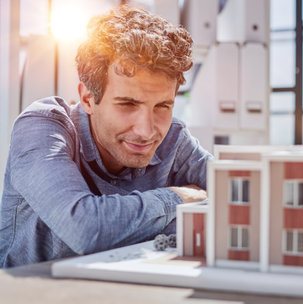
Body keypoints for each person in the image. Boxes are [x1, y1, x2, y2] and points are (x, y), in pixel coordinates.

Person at [0, 5, 212, 268]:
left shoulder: (174, 140)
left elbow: (240, 194)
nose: (146, 131)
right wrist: (178, 198)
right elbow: (84, 229)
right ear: (88, 99)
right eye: (127, 105)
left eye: (162, 106)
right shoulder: (43, 126)